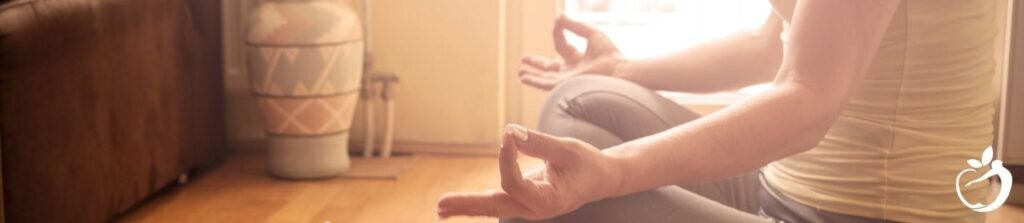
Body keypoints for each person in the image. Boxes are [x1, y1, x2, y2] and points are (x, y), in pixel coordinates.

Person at [438, 0, 999, 222]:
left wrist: (613, 174)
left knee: (566, 207)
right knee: (578, 101)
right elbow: (769, 44)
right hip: (782, 186)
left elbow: (808, 101)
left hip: (864, 215)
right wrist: (624, 68)